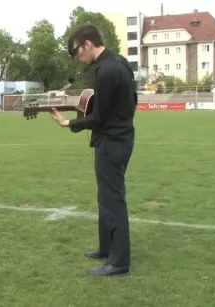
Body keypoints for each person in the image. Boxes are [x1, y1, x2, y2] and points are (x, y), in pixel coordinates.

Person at [49, 24, 137, 276]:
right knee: (106, 198)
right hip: (121, 139)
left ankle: (119, 262)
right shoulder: (119, 62)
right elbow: (131, 102)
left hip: (111, 142)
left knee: (113, 201)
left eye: (76, 51)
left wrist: (69, 123)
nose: (77, 57)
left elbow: (99, 116)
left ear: (87, 44)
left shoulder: (107, 71)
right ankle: (106, 247)